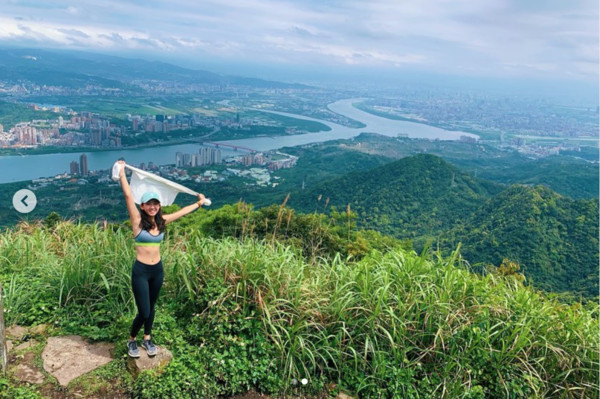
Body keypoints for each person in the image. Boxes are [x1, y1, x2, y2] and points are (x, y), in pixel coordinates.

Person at [117, 160, 206, 357]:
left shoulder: (162, 222)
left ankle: (147, 338)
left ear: (159, 206)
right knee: (144, 310)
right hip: (140, 271)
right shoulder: (137, 222)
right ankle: (132, 340)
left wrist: (199, 203)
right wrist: (122, 172)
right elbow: (127, 195)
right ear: (143, 206)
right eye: (149, 204)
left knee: (152, 307)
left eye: (155, 203)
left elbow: (182, 212)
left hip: (157, 270)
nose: (153, 207)